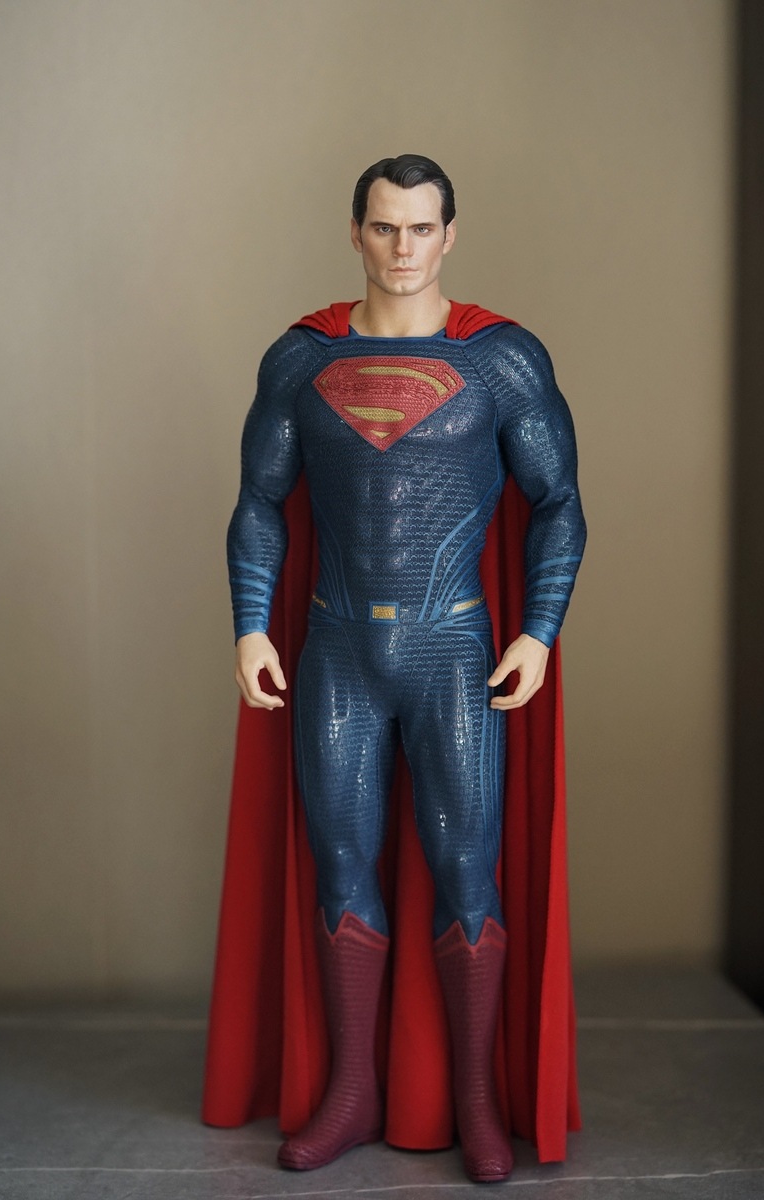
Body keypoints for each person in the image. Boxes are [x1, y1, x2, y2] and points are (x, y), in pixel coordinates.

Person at [207, 154, 586, 1183]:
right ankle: (351, 1092)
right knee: (340, 869)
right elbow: (256, 501)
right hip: (335, 650)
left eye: (421, 228)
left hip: (454, 653)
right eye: (384, 227)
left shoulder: (502, 359)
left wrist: (537, 632)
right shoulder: (300, 357)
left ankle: (475, 1101)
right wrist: (249, 625)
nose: (403, 248)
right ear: (355, 232)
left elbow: (558, 503)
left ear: (449, 235)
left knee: (466, 874)